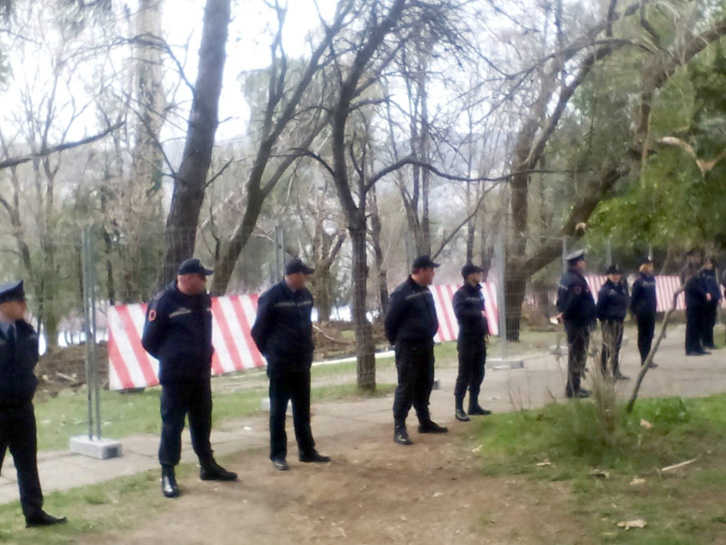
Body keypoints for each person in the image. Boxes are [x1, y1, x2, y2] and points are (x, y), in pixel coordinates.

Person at [142, 259, 238, 499]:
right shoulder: (163, 301)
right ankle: (168, 474)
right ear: (187, 278)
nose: (205, 280)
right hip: (175, 376)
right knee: (173, 425)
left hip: (201, 372)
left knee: (202, 421)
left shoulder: (203, 298)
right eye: (202, 276)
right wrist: (173, 357)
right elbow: (149, 341)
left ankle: (207, 465)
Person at [251, 258, 330, 471]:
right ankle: (278, 454)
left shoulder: (305, 296)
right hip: (280, 364)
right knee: (278, 410)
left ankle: (307, 450)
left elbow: (306, 325)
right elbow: (258, 331)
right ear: (293, 275)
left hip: (302, 361)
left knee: (302, 409)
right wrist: (271, 354)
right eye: (304, 274)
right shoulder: (272, 297)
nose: (306, 278)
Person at [0, 281, 67, 528]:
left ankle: (34, 512)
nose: (25, 306)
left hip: (22, 409)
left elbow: (30, 360)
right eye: (20, 302)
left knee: (27, 462)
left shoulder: (26, 331)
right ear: (5, 304)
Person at [385, 255, 448, 445]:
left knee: (425, 383)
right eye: (431, 270)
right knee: (407, 386)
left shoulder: (425, 291)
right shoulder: (402, 293)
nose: (433, 273)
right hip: (408, 347)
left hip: (426, 345)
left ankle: (424, 421)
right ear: (421, 271)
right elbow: (390, 322)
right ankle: (399, 427)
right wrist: (400, 341)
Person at [452, 263, 491, 422]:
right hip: (466, 337)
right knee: (465, 373)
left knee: (479, 371)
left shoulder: (479, 292)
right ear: (469, 275)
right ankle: (458, 407)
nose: (479, 274)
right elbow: (460, 313)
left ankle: (473, 404)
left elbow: (483, 314)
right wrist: (477, 315)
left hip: (478, 337)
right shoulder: (461, 294)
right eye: (476, 272)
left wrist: (485, 329)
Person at [556, 250, 596, 398]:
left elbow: (560, 301)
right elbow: (574, 302)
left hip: (575, 322)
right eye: (583, 261)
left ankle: (574, 386)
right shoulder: (575, 280)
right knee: (577, 356)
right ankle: (573, 389)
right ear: (578, 263)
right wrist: (565, 315)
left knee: (577, 355)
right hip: (578, 323)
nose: (584, 263)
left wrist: (562, 313)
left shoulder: (567, 278)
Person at [596, 264, 629, 380]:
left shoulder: (622, 288)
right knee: (608, 347)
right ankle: (603, 371)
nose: (616, 277)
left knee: (616, 347)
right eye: (613, 274)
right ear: (608, 275)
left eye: (618, 274)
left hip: (619, 321)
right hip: (609, 322)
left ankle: (615, 371)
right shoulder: (605, 290)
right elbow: (599, 308)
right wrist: (605, 320)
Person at [680, 249, 711, 356]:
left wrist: (706, 292)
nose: (699, 259)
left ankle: (698, 347)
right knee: (692, 325)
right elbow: (691, 285)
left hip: (700, 301)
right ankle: (690, 348)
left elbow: (703, 282)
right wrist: (704, 293)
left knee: (699, 325)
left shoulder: (698, 269)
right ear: (691, 257)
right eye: (696, 257)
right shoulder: (687, 270)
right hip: (692, 301)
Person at [630, 257, 658, 367]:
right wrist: (634, 311)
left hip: (651, 310)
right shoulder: (639, 281)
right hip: (642, 312)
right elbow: (634, 298)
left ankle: (648, 358)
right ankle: (644, 358)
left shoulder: (652, 279)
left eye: (652, 265)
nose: (651, 268)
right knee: (643, 335)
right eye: (649, 265)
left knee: (650, 335)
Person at [700, 257, 721, 350]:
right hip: (706, 301)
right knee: (705, 322)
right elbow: (702, 286)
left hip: (714, 300)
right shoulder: (702, 274)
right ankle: (705, 342)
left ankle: (710, 342)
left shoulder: (713, 273)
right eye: (707, 263)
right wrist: (705, 293)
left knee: (712, 322)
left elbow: (715, 286)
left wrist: (719, 297)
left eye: (710, 263)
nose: (709, 265)